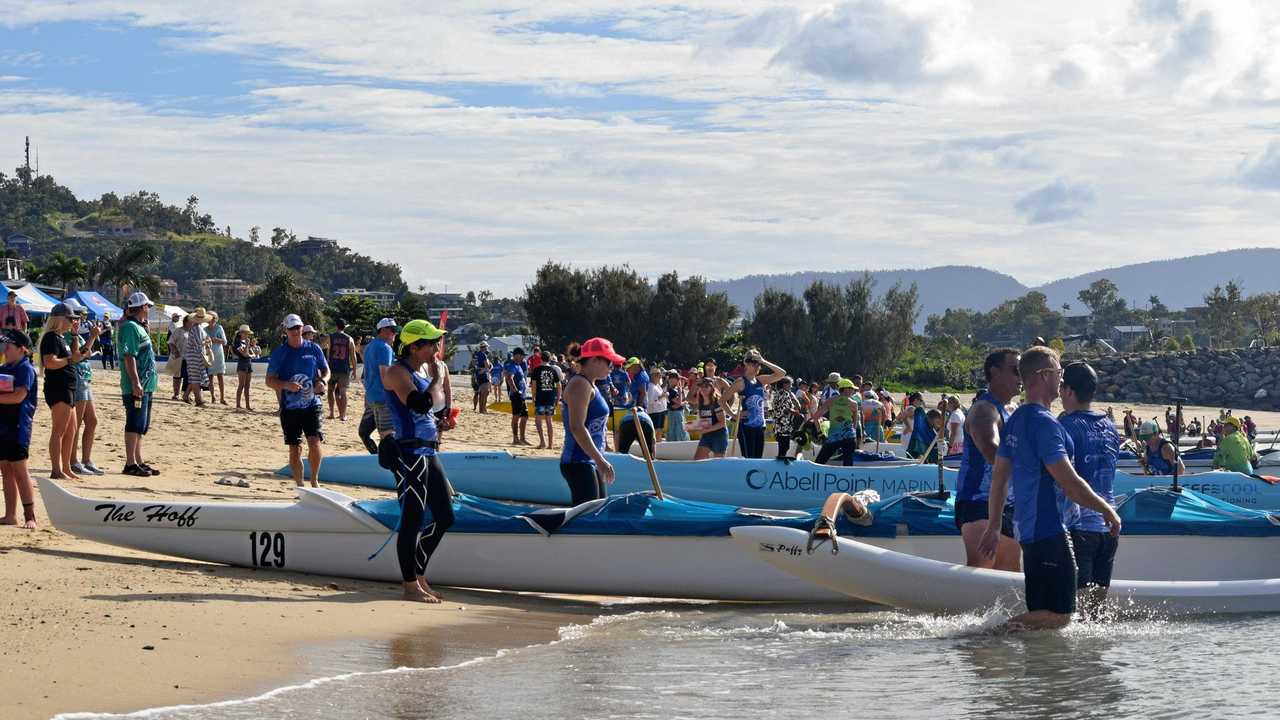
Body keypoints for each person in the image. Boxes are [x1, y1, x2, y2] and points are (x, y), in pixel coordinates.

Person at [979, 346, 1121, 630]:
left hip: (1028, 534)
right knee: (1062, 616)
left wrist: (994, 524)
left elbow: (999, 477)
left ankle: (1040, 672)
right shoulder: (1046, 425)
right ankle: (986, 635)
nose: (1061, 379)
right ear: (1044, 376)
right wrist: (1106, 509)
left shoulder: (1016, 420)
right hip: (1051, 531)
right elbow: (1069, 483)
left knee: (1042, 615)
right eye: (1058, 373)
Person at [378, 319, 455, 603]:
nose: (436, 347)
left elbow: (426, 413)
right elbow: (418, 404)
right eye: (431, 343)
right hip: (409, 453)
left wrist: (441, 423)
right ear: (414, 346)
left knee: (446, 516)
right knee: (412, 518)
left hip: (428, 450)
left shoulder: (419, 371)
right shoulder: (398, 372)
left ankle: (418, 574)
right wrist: (436, 377)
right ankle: (410, 585)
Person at [1058, 362, 1121, 619]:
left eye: (1062, 387)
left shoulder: (1065, 426)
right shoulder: (1110, 427)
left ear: (1069, 391)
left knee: (1077, 614)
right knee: (1097, 614)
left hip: (1080, 527)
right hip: (1110, 526)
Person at [956, 348, 1023, 571]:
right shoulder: (983, 410)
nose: (1021, 376)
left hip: (1008, 504)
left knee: (1010, 575)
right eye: (1015, 370)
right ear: (995, 372)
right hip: (978, 502)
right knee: (982, 569)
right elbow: (991, 452)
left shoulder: (1014, 410)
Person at [266, 314, 329, 488]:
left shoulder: (314, 348)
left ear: (303, 328)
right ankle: (300, 485)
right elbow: (269, 380)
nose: (295, 331)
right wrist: (286, 385)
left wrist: (323, 382)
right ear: (285, 331)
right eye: (291, 328)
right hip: (290, 407)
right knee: (295, 448)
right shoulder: (280, 353)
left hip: (312, 404)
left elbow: (326, 370)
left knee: (314, 442)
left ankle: (315, 482)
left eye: (298, 327)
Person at [560, 337, 623, 504]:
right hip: (578, 461)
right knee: (586, 519)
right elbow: (577, 427)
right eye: (609, 362)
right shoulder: (580, 384)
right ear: (595, 360)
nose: (612, 368)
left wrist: (599, 458)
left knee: (597, 514)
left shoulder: (590, 384)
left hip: (589, 461)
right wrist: (600, 460)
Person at [41, 302, 96, 480]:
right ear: (60, 319)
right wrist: (69, 360)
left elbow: (78, 356)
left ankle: (66, 468)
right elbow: (49, 362)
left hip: (68, 387)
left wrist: (79, 341)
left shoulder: (61, 338)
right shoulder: (51, 337)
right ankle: (56, 469)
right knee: (59, 430)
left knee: (71, 429)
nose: (73, 322)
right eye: (70, 318)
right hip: (58, 388)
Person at [118, 293, 160, 477]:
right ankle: (130, 463)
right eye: (147, 306)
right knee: (134, 422)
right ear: (142, 307)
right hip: (136, 385)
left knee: (142, 424)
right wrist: (135, 382)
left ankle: (138, 460)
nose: (149, 310)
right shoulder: (129, 327)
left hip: (146, 384)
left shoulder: (138, 327)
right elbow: (129, 356)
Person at [0, 330, 37, 529]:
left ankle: (30, 516)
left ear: (22, 350)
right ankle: (10, 515)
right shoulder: (4, 368)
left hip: (18, 427)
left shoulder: (26, 368)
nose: (5, 350)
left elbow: (18, 396)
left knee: (20, 470)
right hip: (2, 426)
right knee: (5, 469)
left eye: (9, 346)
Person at [724, 350, 786, 459]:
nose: (757, 366)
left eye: (758, 364)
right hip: (746, 426)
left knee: (757, 460)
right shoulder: (740, 382)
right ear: (746, 364)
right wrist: (734, 415)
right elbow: (722, 400)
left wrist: (764, 361)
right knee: (749, 460)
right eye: (754, 363)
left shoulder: (760, 380)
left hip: (760, 426)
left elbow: (782, 374)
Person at [67, 304, 104, 475]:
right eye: (78, 316)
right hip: (77, 380)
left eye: (81, 316)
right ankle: (73, 460)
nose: (80, 319)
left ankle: (86, 460)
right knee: (77, 423)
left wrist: (91, 338)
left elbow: (86, 353)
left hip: (84, 380)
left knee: (92, 421)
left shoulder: (75, 335)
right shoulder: (69, 335)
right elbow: (78, 355)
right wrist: (92, 337)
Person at [358, 318, 399, 455]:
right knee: (388, 436)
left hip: (372, 398)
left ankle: (376, 457)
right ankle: (388, 462)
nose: (395, 334)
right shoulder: (384, 348)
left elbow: (368, 374)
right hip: (383, 398)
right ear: (383, 331)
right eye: (392, 330)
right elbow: (384, 374)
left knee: (364, 433)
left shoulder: (369, 346)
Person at [810, 378, 861, 466]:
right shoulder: (853, 403)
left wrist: (820, 433)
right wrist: (854, 435)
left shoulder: (830, 400)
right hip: (849, 436)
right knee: (848, 464)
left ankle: (813, 476)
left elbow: (815, 417)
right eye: (852, 388)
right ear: (846, 389)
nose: (853, 391)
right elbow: (855, 424)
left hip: (834, 436)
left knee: (819, 462)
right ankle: (848, 478)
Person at [615, 357, 656, 454]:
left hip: (638, 409)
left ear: (637, 366)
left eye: (630, 367)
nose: (628, 369)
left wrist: (638, 407)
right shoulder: (637, 375)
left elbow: (642, 393)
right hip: (635, 407)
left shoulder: (641, 376)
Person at [689, 377, 728, 459]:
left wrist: (706, 429)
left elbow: (722, 423)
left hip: (719, 435)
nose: (703, 388)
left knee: (717, 464)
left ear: (712, 388)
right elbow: (703, 420)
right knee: (697, 460)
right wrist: (692, 426)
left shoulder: (716, 402)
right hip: (707, 435)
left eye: (706, 386)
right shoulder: (700, 402)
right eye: (701, 386)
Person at [531, 350, 562, 449]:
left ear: (541, 358)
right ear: (549, 359)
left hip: (540, 398)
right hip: (550, 398)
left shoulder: (536, 370)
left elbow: (534, 385)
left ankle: (542, 442)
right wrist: (558, 398)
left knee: (538, 421)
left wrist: (533, 397)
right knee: (549, 421)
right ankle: (550, 444)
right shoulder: (553, 370)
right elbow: (559, 385)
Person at [325, 319, 355, 421]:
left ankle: (332, 413)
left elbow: (325, 349)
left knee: (330, 390)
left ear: (336, 326)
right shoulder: (349, 339)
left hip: (332, 368)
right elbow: (353, 356)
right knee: (342, 392)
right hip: (344, 369)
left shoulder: (331, 337)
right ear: (345, 327)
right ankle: (343, 415)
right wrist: (355, 370)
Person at [770, 377, 803, 460]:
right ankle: (780, 462)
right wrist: (795, 412)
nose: (791, 386)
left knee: (784, 445)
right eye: (790, 384)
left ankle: (780, 459)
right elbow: (784, 409)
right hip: (783, 424)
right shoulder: (783, 393)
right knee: (784, 446)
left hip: (782, 424)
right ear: (785, 384)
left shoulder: (780, 393)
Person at [183, 309, 210, 406]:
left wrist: (207, 341)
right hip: (195, 355)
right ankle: (199, 400)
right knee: (195, 378)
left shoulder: (197, 327)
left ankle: (186, 396)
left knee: (193, 377)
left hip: (193, 355)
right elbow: (199, 343)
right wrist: (207, 342)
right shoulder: (197, 328)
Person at [504, 348, 530, 445]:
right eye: (522, 355)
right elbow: (509, 377)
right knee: (516, 416)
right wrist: (515, 390)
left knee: (525, 416)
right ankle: (515, 438)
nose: (523, 357)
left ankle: (522, 438)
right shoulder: (511, 365)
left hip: (522, 395)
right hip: (516, 395)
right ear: (516, 355)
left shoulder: (518, 365)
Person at [232, 325, 257, 411]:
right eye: (245, 333)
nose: (247, 335)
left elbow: (253, 354)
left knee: (247, 386)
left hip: (248, 364)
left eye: (247, 333)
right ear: (241, 333)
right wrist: (247, 346)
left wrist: (249, 352)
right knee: (241, 385)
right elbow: (245, 354)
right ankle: (238, 405)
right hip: (242, 364)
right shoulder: (237, 342)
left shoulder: (245, 342)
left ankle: (247, 405)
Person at [206, 311, 228, 405]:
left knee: (220, 377)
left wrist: (216, 340)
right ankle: (213, 397)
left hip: (219, 355)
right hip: (208, 355)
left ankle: (222, 398)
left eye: (214, 318)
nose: (213, 320)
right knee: (210, 377)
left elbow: (225, 341)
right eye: (211, 318)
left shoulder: (219, 328)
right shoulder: (204, 329)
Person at [664, 370, 690, 442]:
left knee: (679, 430)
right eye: (671, 378)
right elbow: (679, 402)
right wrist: (680, 390)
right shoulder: (670, 391)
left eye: (674, 378)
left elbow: (681, 401)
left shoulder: (675, 389)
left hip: (678, 412)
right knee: (677, 430)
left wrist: (680, 390)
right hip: (674, 414)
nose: (672, 380)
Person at [166, 313, 186, 400]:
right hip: (176, 350)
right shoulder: (172, 325)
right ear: (173, 317)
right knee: (177, 373)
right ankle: (177, 393)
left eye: (178, 317)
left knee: (179, 374)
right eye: (177, 317)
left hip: (180, 351)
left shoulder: (178, 326)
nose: (178, 318)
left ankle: (180, 393)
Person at [471, 341, 492, 413]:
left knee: (480, 393)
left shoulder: (475, 354)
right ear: (484, 347)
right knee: (485, 393)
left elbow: (473, 364)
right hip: (483, 375)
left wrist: (479, 369)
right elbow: (487, 367)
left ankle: (480, 409)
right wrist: (487, 368)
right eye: (486, 347)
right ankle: (483, 409)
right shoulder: (483, 355)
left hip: (477, 375)